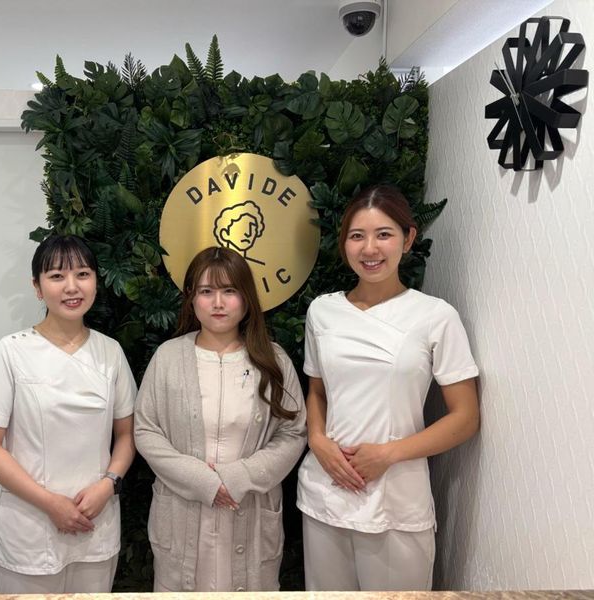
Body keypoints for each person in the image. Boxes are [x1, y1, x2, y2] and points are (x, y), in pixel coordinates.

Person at [298, 185, 480, 591]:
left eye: (384, 234)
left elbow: (466, 417)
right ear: (344, 243)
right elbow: (318, 391)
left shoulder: (435, 316)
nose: (370, 249)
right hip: (326, 490)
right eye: (357, 236)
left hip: (397, 496)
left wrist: (387, 454)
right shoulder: (323, 311)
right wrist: (317, 440)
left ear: (408, 238)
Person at [0, 235, 136, 594]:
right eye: (57, 276)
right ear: (37, 287)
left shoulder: (110, 352)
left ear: (95, 282)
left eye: (83, 274)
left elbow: (126, 435)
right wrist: (50, 503)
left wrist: (108, 484)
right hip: (29, 526)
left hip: (96, 522)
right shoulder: (12, 352)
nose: (72, 287)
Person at [134, 246, 306, 592]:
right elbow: (146, 430)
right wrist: (204, 482)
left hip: (249, 511)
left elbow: (293, 433)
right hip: (183, 511)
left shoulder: (273, 360)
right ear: (191, 297)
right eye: (206, 291)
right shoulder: (168, 357)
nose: (218, 303)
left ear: (246, 298)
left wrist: (238, 478)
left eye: (229, 290)